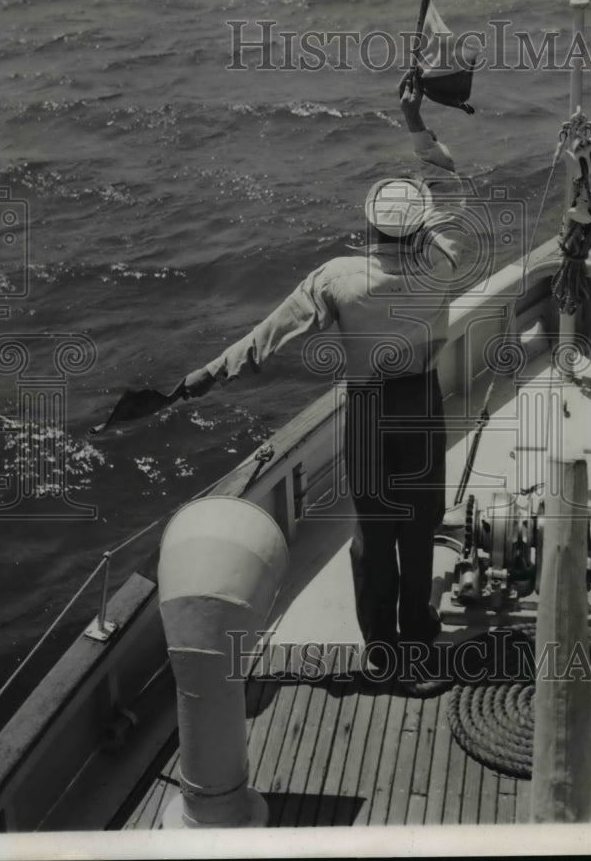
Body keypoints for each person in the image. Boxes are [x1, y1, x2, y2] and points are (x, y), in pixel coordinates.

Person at [183, 70, 470, 695]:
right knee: (421, 523)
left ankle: (382, 653)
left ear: (371, 228)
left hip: (370, 409)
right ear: (420, 228)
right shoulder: (446, 257)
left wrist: (206, 375)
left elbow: (267, 337)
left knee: (374, 532)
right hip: (422, 405)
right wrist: (415, 120)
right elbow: (451, 183)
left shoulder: (338, 278)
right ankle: (420, 635)